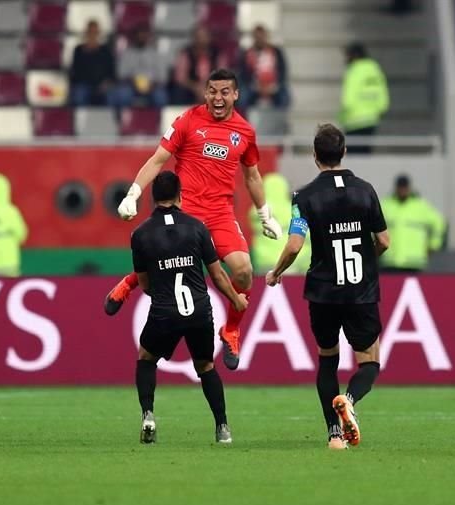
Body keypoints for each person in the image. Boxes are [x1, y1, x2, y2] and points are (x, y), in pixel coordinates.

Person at [107, 68, 283, 372]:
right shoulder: (188, 120)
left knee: (243, 271)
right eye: (212, 91)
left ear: (236, 95)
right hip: (184, 211)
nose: (218, 97)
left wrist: (265, 213)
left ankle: (230, 330)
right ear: (205, 93)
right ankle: (128, 283)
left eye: (225, 91)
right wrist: (133, 194)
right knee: (168, 261)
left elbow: (252, 175)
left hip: (220, 213)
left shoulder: (244, 132)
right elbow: (158, 160)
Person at [264, 124, 390, 450]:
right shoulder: (366, 191)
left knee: (327, 360)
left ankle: (334, 435)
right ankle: (348, 399)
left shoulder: (303, 197)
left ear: (315, 155)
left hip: (322, 291)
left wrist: (276, 273)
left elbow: (293, 246)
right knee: (369, 362)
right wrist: (365, 259)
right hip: (360, 289)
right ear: (344, 152)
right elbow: (384, 241)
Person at [132, 171, 248, 444]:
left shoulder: (140, 235)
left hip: (165, 311)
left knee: (146, 358)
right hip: (198, 310)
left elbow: (144, 283)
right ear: (181, 195)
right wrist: (236, 300)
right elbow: (218, 274)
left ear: (152, 198)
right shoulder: (197, 227)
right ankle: (222, 428)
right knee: (206, 365)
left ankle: (148, 415)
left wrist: (160, 289)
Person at [380, 174, 446, 272]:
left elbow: (439, 223)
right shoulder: (385, 205)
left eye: (405, 188)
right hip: (389, 261)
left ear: (409, 188)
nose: (402, 190)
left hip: (414, 262)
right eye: (400, 188)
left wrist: (434, 245)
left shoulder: (420, 206)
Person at [248, 173, 310, 274]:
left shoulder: (256, 210)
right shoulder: (293, 208)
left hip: (264, 261)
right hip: (293, 261)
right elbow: (307, 234)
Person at [339, 43, 389, 154]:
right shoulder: (375, 69)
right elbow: (383, 96)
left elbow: (348, 99)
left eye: (348, 55)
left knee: (354, 158)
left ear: (355, 55)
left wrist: (342, 115)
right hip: (371, 119)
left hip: (353, 121)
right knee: (366, 154)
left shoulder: (354, 70)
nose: (346, 58)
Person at [171, 26, 229, 105]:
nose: (201, 40)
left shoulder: (218, 54)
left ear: (209, 38)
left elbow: (223, 75)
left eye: (204, 37)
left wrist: (208, 87)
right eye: (199, 37)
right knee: (178, 92)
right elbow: (180, 78)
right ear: (194, 38)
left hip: (213, 87)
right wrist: (195, 87)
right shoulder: (186, 53)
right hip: (191, 88)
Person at [237, 25, 290, 111]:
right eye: (257, 37)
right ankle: (244, 121)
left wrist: (274, 86)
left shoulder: (276, 52)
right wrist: (255, 86)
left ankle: (279, 122)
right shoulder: (247, 53)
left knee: (285, 98)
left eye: (262, 36)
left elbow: (282, 71)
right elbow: (243, 74)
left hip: (273, 86)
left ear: (266, 37)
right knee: (242, 98)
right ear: (253, 37)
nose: (260, 39)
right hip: (253, 87)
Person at [115, 26, 169, 108]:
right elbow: (120, 74)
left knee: (160, 96)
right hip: (131, 86)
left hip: (152, 86)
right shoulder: (127, 54)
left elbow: (163, 77)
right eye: (139, 36)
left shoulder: (156, 54)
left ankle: (158, 120)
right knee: (123, 94)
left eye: (144, 36)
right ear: (135, 37)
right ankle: (125, 119)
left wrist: (152, 84)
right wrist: (132, 81)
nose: (142, 38)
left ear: (148, 37)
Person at [69, 19, 116, 107]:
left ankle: (110, 119)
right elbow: (75, 71)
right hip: (84, 84)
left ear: (98, 33)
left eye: (95, 31)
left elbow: (111, 71)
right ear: (86, 32)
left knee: (112, 94)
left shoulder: (105, 50)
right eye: (90, 31)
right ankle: (80, 119)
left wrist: (106, 82)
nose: (92, 34)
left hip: (103, 84)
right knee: (79, 94)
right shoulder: (79, 50)